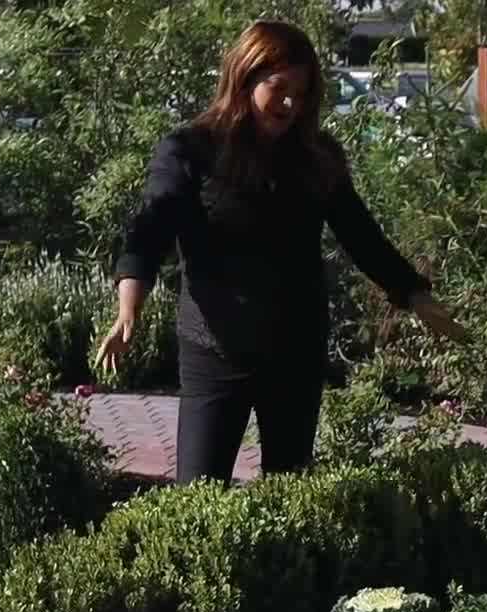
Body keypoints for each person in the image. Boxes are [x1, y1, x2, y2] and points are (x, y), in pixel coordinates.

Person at [94, 19, 466, 485]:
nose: (291, 103)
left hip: (295, 352)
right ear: (245, 77)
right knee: (197, 494)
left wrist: (414, 295)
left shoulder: (317, 157)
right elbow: (150, 229)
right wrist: (130, 307)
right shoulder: (190, 150)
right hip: (214, 351)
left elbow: (361, 235)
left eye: (302, 92)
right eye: (279, 87)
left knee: (288, 493)